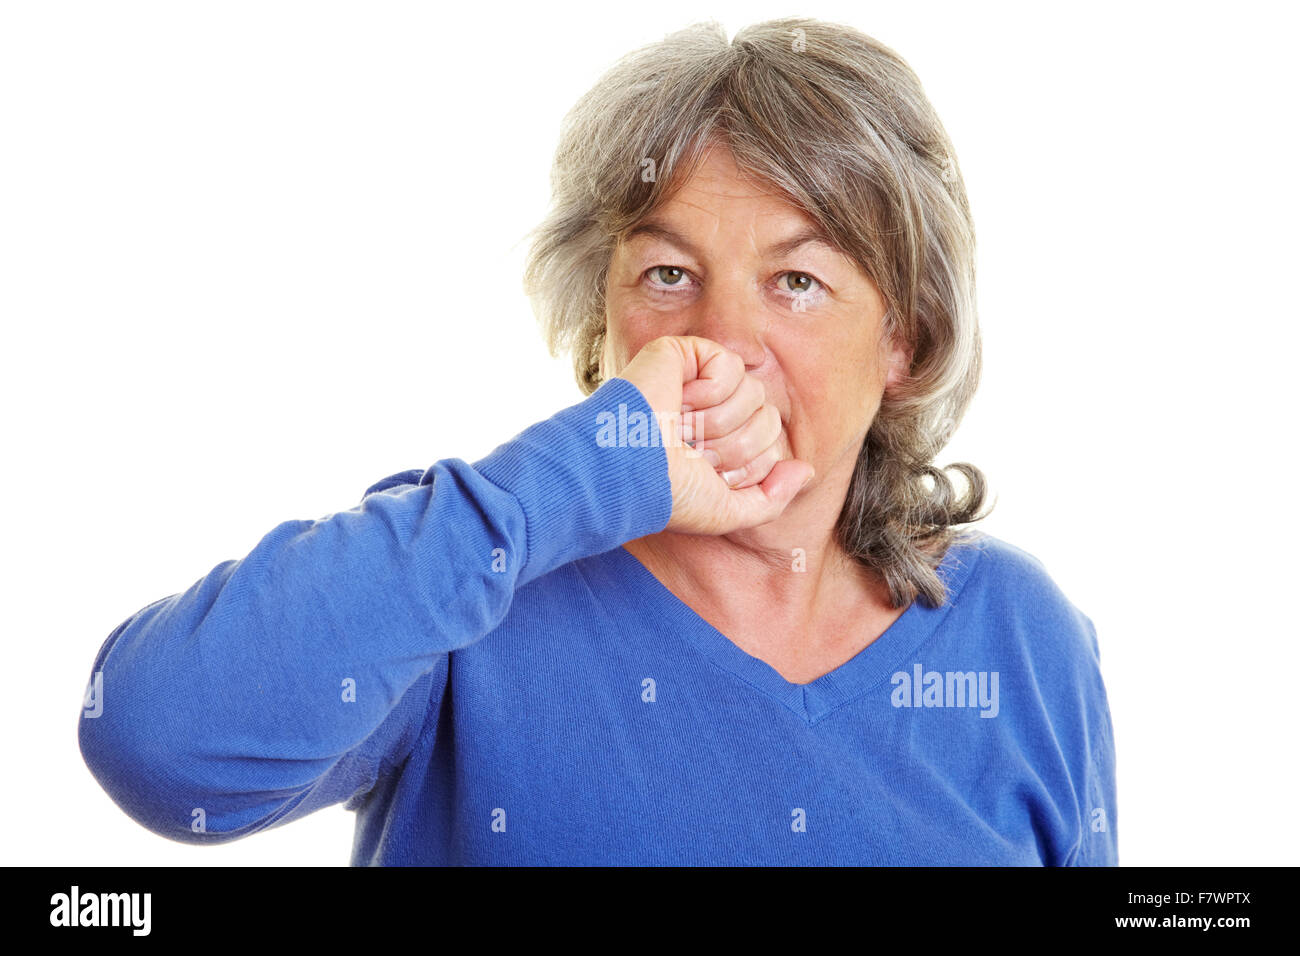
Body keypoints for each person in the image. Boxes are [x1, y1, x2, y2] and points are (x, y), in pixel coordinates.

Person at [78, 17, 1117, 865]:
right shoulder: (468, 583)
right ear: (602, 316)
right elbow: (154, 743)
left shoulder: (1021, 640)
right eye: (668, 274)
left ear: (904, 339)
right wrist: (559, 486)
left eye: (796, 282)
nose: (722, 344)